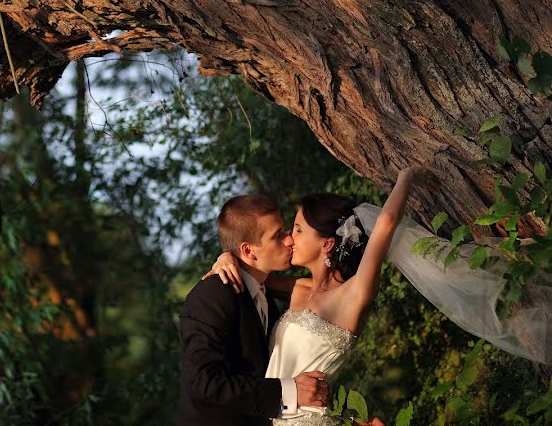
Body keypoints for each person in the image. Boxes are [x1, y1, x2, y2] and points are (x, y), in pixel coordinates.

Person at [205, 167, 426, 425]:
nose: (289, 239)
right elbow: (251, 268)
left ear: (326, 243)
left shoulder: (353, 294)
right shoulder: (297, 288)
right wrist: (226, 256)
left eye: (297, 229)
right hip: (274, 413)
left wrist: (406, 177)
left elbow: (386, 223)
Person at [178, 194, 330, 426]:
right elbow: (204, 383)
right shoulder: (212, 295)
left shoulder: (263, 294)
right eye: (277, 235)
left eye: (285, 230)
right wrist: (289, 392)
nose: (289, 240)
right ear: (248, 251)